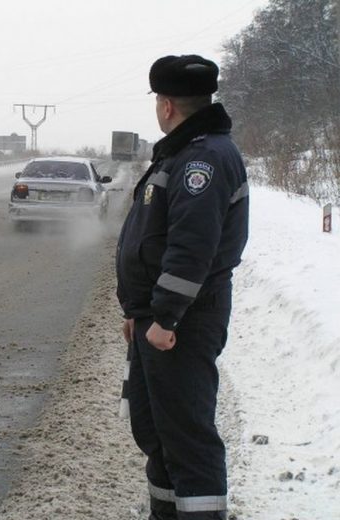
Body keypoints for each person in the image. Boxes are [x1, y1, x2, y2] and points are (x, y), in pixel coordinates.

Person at [115, 55, 249, 520]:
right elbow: (156, 241)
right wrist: (139, 313)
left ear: (167, 105)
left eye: (158, 100)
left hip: (184, 322)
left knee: (187, 437)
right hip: (157, 319)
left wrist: (166, 316)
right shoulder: (183, 152)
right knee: (156, 431)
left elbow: (193, 247)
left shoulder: (204, 159)